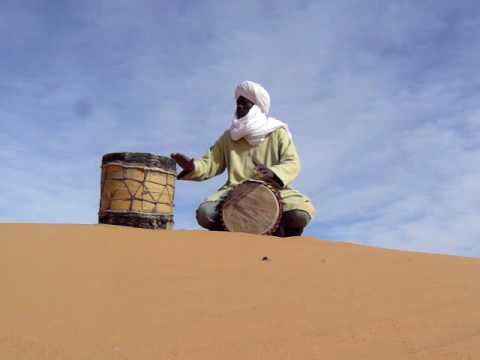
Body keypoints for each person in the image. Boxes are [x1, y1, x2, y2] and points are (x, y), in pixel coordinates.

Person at [171, 80, 315, 237]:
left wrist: (273, 172)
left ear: (256, 107)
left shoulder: (277, 132)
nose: (238, 107)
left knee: (300, 215)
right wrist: (193, 168)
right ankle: (235, 232)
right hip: (235, 192)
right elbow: (211, 163)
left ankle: (275, 231)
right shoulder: (229, 137)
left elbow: (292, 162)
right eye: (237, 103)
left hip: (275, 190)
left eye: (244, 103)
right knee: (205, 214)